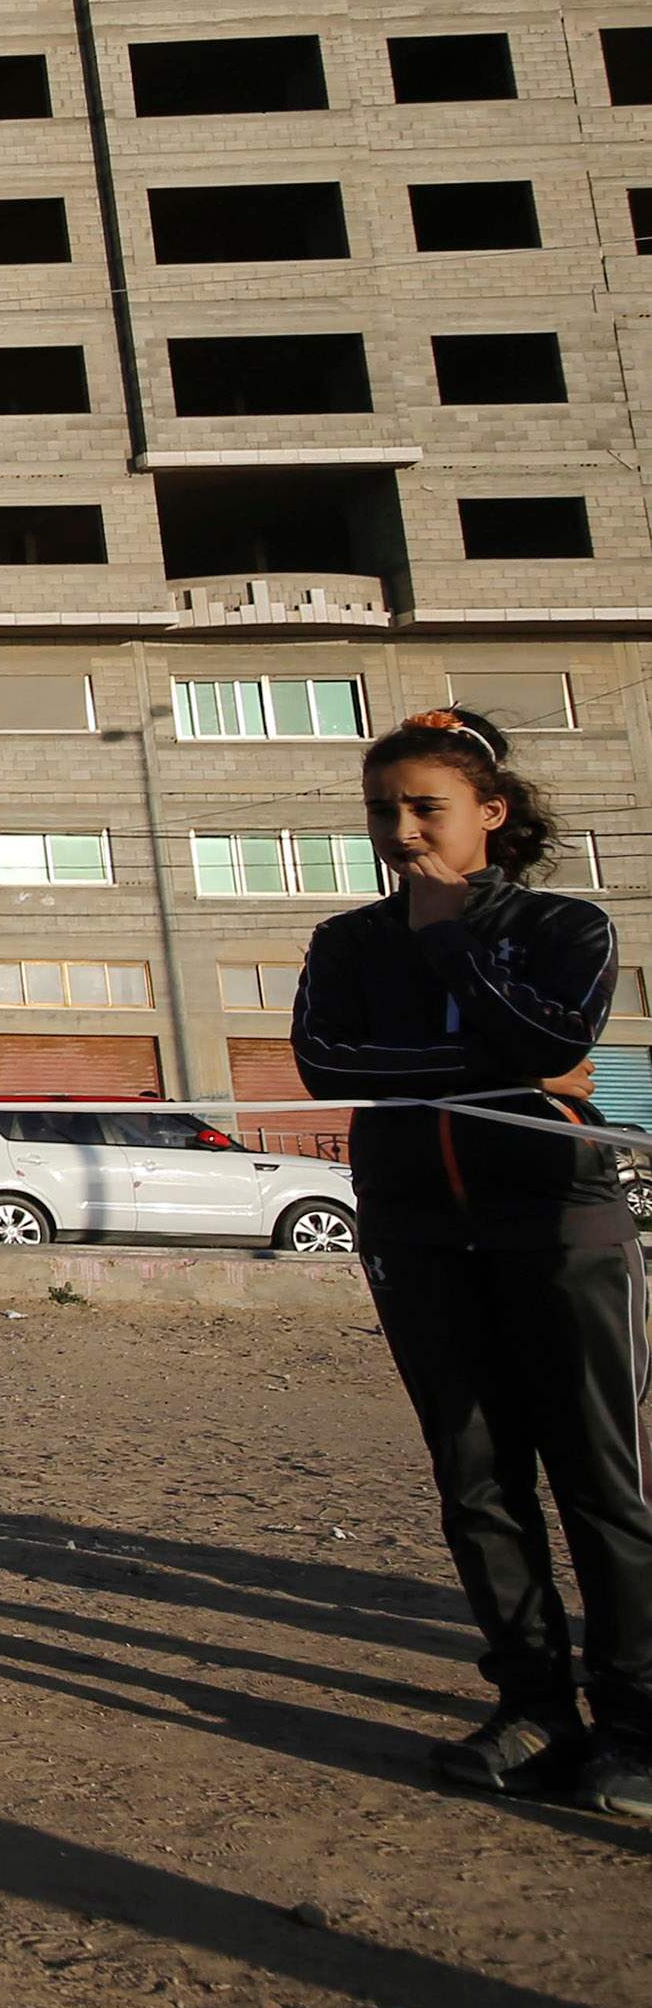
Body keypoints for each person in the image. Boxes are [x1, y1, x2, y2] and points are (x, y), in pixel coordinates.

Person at [291, 703, 650, 1816]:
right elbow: (326, 1066)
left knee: (601, 1480)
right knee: (476, 1479)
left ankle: (637, 1726)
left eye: (425, 808)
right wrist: (497, 1068)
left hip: (558, 1226)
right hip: (418, 1231)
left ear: (489, 813)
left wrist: (451, 937)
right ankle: (534, 1706)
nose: (400, 832)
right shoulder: (348, 942)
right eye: (381, 812)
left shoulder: (563, 925)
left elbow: (554, 1041)